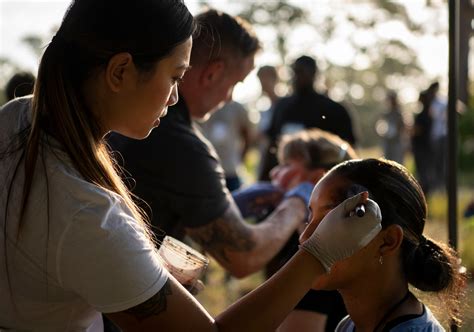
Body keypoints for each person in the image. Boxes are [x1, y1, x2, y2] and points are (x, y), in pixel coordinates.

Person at [0, 0, 384, 330]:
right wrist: (318, 253)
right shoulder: (88, 215)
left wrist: (139, 278)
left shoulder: (17, 118)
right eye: (174, 77)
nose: (172, 98)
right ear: (120, 72)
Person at [108, 10, 310, 279]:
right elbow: (245, 256)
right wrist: (297, 203)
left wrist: (228, 206)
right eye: (235, 84)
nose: (229, 98)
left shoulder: (123, 115)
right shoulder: (180, 144)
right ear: (213, 73)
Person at [299, 158, 467, 331]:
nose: (305, 237)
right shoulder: (348, 325)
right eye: (309, 218)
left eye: (328, 221)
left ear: (388, 241)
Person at [233, 128, 358, 332]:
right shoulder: (334, 240)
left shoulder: (317, 258)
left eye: (286, 165)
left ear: (317, 179)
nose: (274, 172)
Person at [259, 55, 356, 181]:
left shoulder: (333, 110)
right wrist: (264, 179)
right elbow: (272, 145)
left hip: (322, 180)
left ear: (314, 74)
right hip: (287, 180)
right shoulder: (282, 107)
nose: (297, 77)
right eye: (294, 72)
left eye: (301, 72)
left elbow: (347, 149)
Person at [199, 100, 255, 191]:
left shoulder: (237, 108)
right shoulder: (202, 103)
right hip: (206, 170)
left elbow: (248, 136)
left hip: (230, 170)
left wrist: (240, 159)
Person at [376, 91, 407, 164]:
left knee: (398, 163)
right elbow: (380, 127)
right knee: (386, 163)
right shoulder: (385, 114)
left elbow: (402, 128)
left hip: (397, 142)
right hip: (387, 142)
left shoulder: (399, 114)